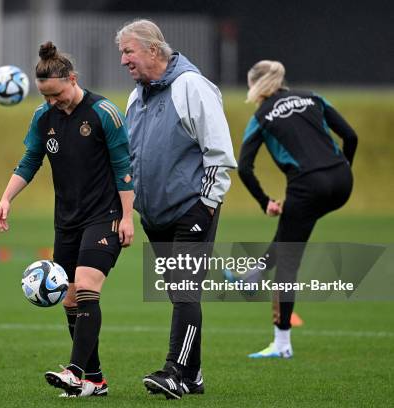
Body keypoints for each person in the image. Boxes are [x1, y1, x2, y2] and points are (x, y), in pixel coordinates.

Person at [0, 41, 134, 397]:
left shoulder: (104, 112)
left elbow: (124, 169)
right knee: (71, 300)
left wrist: (128, 216)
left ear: (71, 79)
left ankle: (74, 371)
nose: (52, 102)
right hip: (67, 221)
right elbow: (30, 161)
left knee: (87, 286)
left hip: (106, 217)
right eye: (45, 97)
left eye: (56, 94)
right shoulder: (44, 117)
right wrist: (6, 197)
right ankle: (96, 380)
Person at [116, 19, 236, 399]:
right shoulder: (137, 97)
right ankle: (195, 375)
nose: (123, 60)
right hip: (155, 215)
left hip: (191, 211)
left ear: (153, 50)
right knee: (178, 294)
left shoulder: (192, 87)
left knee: (185, 292)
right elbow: (130, 157)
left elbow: (218, 152)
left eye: (128, 51)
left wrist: (206, 204)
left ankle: (176, 371)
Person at [236, 60, 357, 358]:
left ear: (255, 85)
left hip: (307, 187)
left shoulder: (261, 116)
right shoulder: (313, 96)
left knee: (288, 264)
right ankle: (255, 273)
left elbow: (244, 168)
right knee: (293, 227)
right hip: (342, 181)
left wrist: (265, 201)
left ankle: (282, 345)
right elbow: (351, 136)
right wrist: (342, 171)